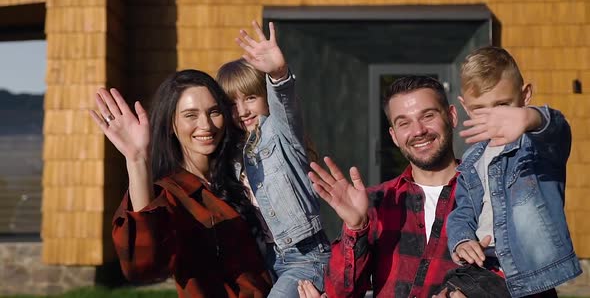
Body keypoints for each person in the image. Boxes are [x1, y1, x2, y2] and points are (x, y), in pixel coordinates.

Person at [89, 70, 272, 297]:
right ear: (171, 124)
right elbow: (144, 267)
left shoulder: (243, 174)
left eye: (214, 112)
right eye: (190, 115)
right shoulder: (171, 193)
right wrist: (137, 159)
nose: (206, 125)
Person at [303, 75, 461, 298]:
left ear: (452, 116)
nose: (418, 131)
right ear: (394, 136)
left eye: (428, 116)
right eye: (404, 123)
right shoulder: (377, 201)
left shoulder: (485, 193)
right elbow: (341, 294)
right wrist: (355, 227)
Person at [446, 46, 582, 297]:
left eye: (502, 105)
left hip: (529, 277)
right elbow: (462, 210)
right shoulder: (472, 158)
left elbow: (558, 130)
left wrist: (530, 118)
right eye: (480, 108)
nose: (494, 117)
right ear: (465, 106)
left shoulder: (536, 148)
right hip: (485, 269)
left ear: (525, 95)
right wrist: (462, 239)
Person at [216, 21, 331, 298]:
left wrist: (278, 75)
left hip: (307, 257)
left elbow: (286, 105)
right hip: (268, 258)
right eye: (232, 104)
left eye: (251, 98)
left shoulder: (279, 133)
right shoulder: (233, 152)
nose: (242, 110)